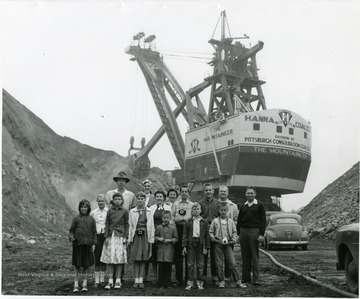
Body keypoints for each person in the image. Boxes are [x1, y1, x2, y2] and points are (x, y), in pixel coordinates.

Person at [209, 204, 247, 289]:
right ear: (219, 211)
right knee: (219, 264)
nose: (223, 212)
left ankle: (238, 281)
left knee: (232, 263)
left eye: (224, 210)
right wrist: (213, 238)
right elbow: (211, 232)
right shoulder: (215, 221)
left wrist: (233, 240)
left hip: (228, 245)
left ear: (227, 211)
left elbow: (234, 232)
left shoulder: (230, 221)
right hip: (218, 244)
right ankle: (221, 282)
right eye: (221, 210)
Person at [236, 187, 266, 286]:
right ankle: (246, 278)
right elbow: (239, 221)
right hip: (243, 231)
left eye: (251, 193)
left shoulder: (259, 205)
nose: (250, 195)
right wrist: (238, 234)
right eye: (248, 193)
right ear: (245, 194)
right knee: (245, 256)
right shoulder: (243, 206)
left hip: (254, 231)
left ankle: (256, 279)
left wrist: (261, 234)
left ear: (255, 194)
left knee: (254, 255)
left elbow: (263, 220)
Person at [100, 193, 129, 289]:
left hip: (120, 236)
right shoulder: (110, 211)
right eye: (115, 199)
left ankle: (118, 280)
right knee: (111, 259)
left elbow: (126, 225)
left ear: (122, 200)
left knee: (119, 259)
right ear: (113, 200)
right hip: (111, 236)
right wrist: (106, 237)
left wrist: (125, 237)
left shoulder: (125, 211)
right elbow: (107, 224)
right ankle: (110, 281)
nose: (117, 201)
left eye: (119, 199)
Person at [69, 199, 97, 293]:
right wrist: (72, 237)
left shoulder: (91, 219)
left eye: (85, 207)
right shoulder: (76, 219)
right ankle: (76, 285)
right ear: (79, 208)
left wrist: (94, 243)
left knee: (86, 265)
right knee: (76, 265)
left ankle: (84, 284)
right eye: (82, 207)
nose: (83, 208)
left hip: (87, 245)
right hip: (77, 245)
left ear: (88, 208)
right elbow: (71, 231)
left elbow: (94, 233)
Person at [128, 191, 155, 289]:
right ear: (136, 199)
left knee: (143, 258)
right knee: (136, 258)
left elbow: (151, 226)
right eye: (138, 198)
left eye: (142, 198)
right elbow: (130, 225)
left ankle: (141, 279)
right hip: (136, 236)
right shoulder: (132, 211)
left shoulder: (149, 211)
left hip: (145, 236)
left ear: (145, 200)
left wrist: (150, 240)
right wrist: (130, 239)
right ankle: (136, 279)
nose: (140, 200)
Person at [145, 190, 172, 284]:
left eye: (160, 196)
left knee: (164, 256)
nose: (159, 198)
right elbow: (149, 221)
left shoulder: (168, 207)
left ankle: (164, 278)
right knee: (153, 256)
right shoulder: (151, 208)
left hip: (165, 234)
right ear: (155, 198)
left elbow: (170, 221)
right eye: (157, 196)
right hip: (154, 233)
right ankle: (155, 277)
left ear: (164, 198)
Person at [182, 203, 210, 290]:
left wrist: (206, 247)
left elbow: (207, 236)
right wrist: (184, 246)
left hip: (201, 244)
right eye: (194, 209)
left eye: (198, 209)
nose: (196, 210)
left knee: (200, 264)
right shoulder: (188, 222)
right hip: (191, 243)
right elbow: (185, 235)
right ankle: (190, 282)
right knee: (190, 264)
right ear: (192, 211)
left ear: (201, 210)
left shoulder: (204, 222)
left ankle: (200, 282)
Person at [171, 185, 194, 286]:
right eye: (182, 191)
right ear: (180, 193)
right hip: (178, 228)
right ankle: (178, 278)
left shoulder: (192, 205)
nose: (184, 193)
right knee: (178, 256)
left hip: (189, 229)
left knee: (189, 255)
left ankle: (188, 278)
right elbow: (172, 217)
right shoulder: (176, 204)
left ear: (189, 193)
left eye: (186, 191)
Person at [198, 183, 219, 285]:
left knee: (215, 255)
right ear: (204, 191)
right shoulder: (200, 203)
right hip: (204, 232)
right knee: (204, 255)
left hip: (215, 232)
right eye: (206, 190)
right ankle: (204, 277)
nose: (208, 192)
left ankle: (215, 277)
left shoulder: (218, 203)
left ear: (213, 191)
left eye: (210, 190)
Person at [218, 185, 239, 282]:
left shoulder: (233, 206)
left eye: (224, 191)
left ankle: (227, 275)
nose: (223, 193)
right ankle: (218, 277)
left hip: (229, 235)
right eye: (221, 191)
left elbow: (236, 220)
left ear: (228, 193)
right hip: (218, 235)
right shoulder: (216, 204)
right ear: (219, 193)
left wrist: (233, 234)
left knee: (229, 257)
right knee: (218, 257)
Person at [155, 210, 178, 289]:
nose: (166, 219)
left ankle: (167, 283)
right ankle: (160, 283)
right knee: (161, 268)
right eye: (164, 218)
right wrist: (158, 238)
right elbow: (155, 236)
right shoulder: (158, 227)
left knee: (168, 268)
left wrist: (171, 240)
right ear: (162, 218)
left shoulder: (173, 228)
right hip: (161, 251)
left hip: (169, 250)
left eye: (167, 218)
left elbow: (176, 238)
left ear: (170, 218)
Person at [90, 194, 108, 287]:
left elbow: (109, 224)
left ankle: (102, 280)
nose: (101, 203)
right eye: (99, 201)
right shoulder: (94, 212)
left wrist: (107, 236)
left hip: (105, 237)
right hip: (96, 236)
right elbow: (92, 226)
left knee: (103, 258)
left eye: (102, 201)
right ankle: (96, 281)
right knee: (97, 257)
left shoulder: (108, 211)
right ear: (97, 202)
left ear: (105, 201)